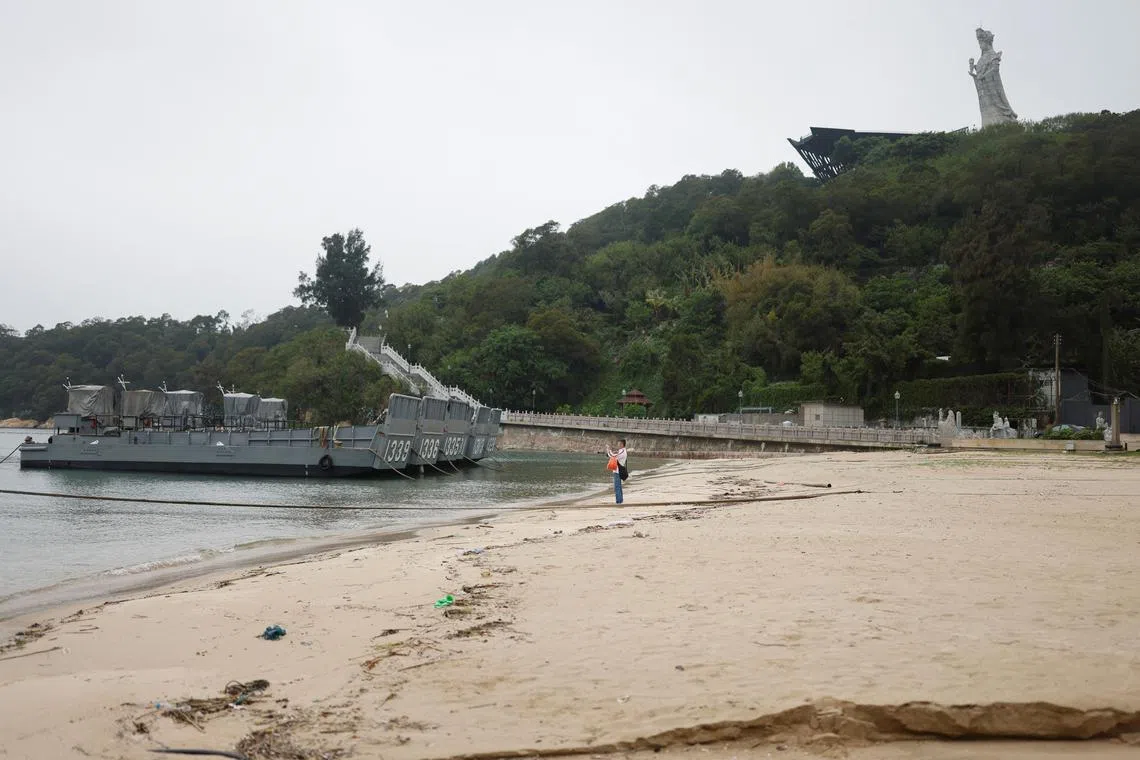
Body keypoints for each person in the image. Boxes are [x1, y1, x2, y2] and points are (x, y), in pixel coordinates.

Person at [605, 439, 628, 504]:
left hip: (618, 471)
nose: (618, 445)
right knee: (618, 486)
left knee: (617, 487)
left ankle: (619, 501)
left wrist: (608, 450)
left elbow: (613, 456)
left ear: (622, 444)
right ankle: (620, 500)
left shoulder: (622, 451)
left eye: (619, 444)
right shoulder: (622, 451)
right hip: (617, 471)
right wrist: (610, 451)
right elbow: (614, 455)